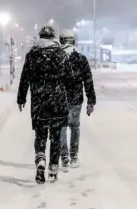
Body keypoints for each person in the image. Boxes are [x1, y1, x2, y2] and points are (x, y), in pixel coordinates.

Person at [17, 26, 71, 184]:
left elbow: (24, 78)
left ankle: (40, 159)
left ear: (40, 37)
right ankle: (53, 170)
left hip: (39, 102)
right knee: (55, 137)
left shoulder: (32, 54)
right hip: (58, 101)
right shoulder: (61, 54)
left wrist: (21, 98)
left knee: (40, 135)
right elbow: (69, 78)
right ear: (53, 37)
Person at [59, 29, 96, 171]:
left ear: (61, 41)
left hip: (59, 98)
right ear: (74, 41)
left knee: (62, 128)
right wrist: (91, 101)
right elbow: (88, 81)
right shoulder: (81, 59)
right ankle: (74, 156)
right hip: (75, 99)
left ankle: (64, 158)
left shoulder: (57, 58)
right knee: (74, 126)